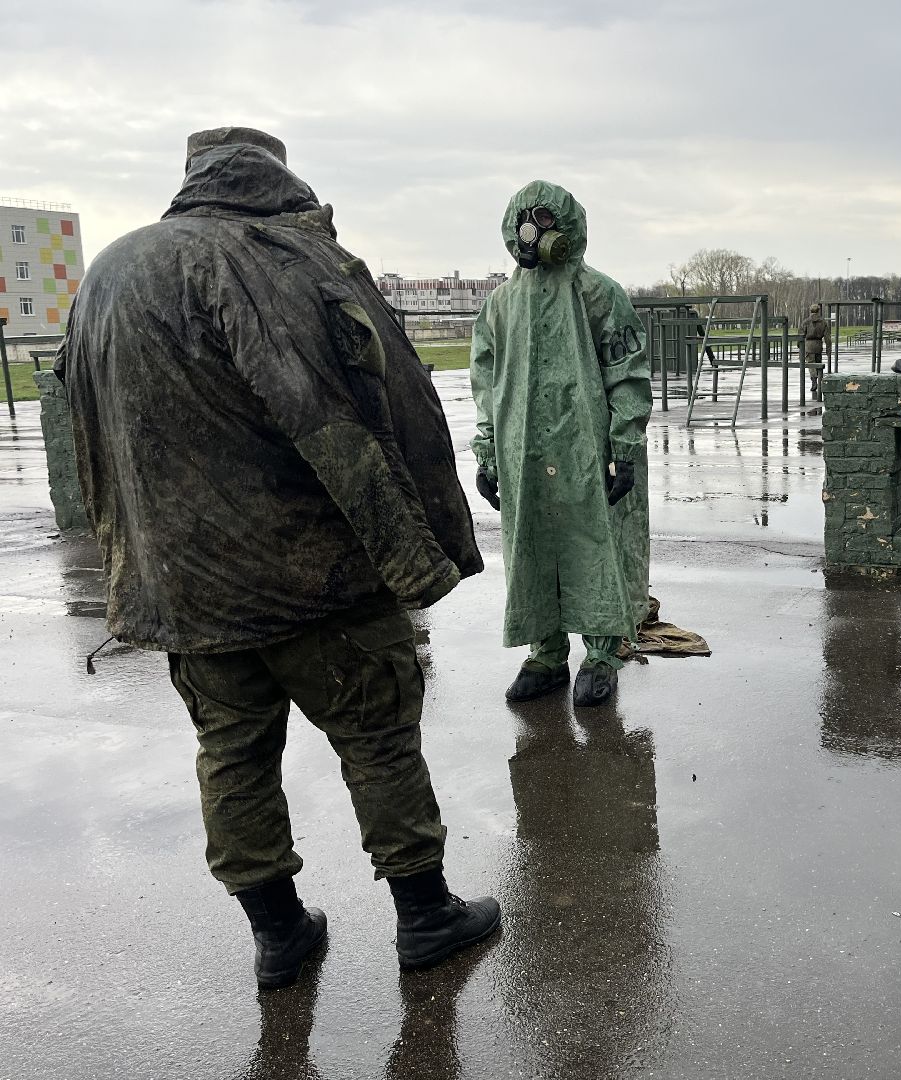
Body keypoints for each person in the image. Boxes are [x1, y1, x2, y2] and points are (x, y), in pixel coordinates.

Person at [56, 127, 501, 990]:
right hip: (309, 577)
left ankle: (279, 936)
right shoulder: (259, 259)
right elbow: (325, 416)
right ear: (272, 180)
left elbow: (90, 434)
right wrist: (413, 561)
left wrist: (136, 569)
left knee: (231, 757)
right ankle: (425, 915)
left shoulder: (108, 273)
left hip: (185, 592)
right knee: (377, 737)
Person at [470, 181, 651, 708]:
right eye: (527, 222)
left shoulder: (599, 295)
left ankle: (600, 657)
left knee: (595, 546)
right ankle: (546, 654)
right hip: (523, 454)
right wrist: (487, 451)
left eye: (546, 222)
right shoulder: (500, 306)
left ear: (567, 227)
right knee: (531, 548)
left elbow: (627, 375)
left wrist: (624, 448)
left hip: (587, 453)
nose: (534, 234)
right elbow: (486, 383)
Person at [800, 303, 830, 398]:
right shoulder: (823, 322)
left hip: (809, 345)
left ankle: (814, 381)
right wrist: (828, 348)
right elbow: (827, 337)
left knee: (811, 364)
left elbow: (800, 334)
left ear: (810, 311)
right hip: (818, 345)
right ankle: (819, 381)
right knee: (818, 364)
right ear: (818, 311)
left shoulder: (806, 322)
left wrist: (799, 346)